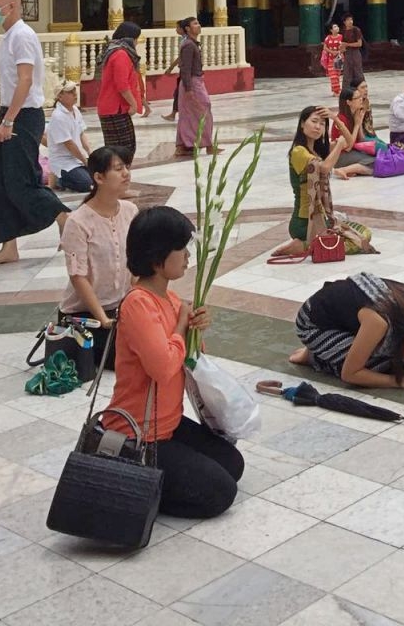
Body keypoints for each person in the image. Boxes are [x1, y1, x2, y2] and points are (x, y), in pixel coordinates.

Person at [106, 207, 244, 518]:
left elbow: (187, 360)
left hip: (168, 424)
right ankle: (134, 483)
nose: (186, 257)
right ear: (157, 258)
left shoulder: (169, 300)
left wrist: (195, 331)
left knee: (232, 464)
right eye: (180, 249)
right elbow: (162, 366)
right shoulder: (138, 303)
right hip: (139, 433)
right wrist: (182, 328)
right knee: (221, 493)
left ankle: (155, 479)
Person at [0, 0, 68, 267]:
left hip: (23, 115)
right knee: (1, 182)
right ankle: (9, 246)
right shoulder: (7, 37)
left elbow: (26, 80)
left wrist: (9, 121)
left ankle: (63, 216)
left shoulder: (22, 36)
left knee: (19, 182)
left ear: (13, 6)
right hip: (10, 111)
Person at [290, 272, 404, 391]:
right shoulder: (378, 322)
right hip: (313, 325)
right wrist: (402, 381)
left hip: (341, 320)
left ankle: (330, 351)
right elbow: (350, 374)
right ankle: (315, 356)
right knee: (381, 367)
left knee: (400, 360)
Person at [59, 146, 138, 366]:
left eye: (127, 167)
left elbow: (135, 264)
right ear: (98, 177)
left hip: (121, 307)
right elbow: (78, 277)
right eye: (118, 169)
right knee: (130, 358)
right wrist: (102, 319)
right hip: (87, 315)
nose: (126, 174)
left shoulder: (130, 211)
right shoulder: (78, 222)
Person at [269, 105, 377, 260]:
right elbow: (325, 168)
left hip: (321, 217)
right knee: (356, 240)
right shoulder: (299, 151)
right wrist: (338, 145)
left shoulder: (317, 151)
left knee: (363, 232)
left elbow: (349, 142)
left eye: (322, 124)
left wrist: (335, 119)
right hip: (304, 222)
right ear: (302, 123)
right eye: (314, 121)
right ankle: (305, 245)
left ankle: (307, 244)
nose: (318, 127)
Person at [96, 21, 147, 165]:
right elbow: (122, 85)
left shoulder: (114, 51)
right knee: (122, 150)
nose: (136, 43)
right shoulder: (121, 54)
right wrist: (132, 104)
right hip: (115, 108)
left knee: (118, 149)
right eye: (136, 38)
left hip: (112, 107)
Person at [175, 16, 214, 157]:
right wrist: (189, 89)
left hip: (196, 82)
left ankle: (190, 144)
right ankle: (202, 144)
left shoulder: (192, 43)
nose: (198, 25)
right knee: (201, 111)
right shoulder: (188, 45)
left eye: (198, 22)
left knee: (196, 113)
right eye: (195, 23)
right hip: (192, 83)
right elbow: (185, 69)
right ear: (187, 28)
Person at [45, 81, 92, 192]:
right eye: (70, 92)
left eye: (74, 91)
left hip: (77, 158)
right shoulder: (58, 116)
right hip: (64, 162)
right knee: (86, 183)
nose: (75, 94)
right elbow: (69, 144)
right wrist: (85, 161)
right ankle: (59, 180)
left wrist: (90, 153)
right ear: (60, 96)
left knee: (100, 174)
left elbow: (81, 133)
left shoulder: (75, 110)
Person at [329, 86, 376, 176]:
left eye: (360, 96)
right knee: (375, 163)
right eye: (357, 98)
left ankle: (352, 170)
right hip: (341, 156)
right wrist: (357, 125)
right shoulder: (341, 119)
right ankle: (344, 170)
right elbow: (348, 146)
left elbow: (361, 139)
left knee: (378, 158)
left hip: (353, 152)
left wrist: (359, 122)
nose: (361, 99)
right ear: (348, 102)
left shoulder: (355, 115)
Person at [161, 22, 184, 121]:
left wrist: (170, 67)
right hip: (183, 71)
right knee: (178, 93)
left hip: (185, 72)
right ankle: (174, 113)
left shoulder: (186, 41)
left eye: (177, 28)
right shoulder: (183, 40)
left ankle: (174, 114)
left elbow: (181, 57)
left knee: (179, 93)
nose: (176, 30)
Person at [340, 13, 365, 87]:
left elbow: (359, 44)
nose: (350, 21)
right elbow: (341, 43)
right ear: (344, 22)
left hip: (355, 53)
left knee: (358, 72)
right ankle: (346, 91)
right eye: (348, 20)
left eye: (351, 19)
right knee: (347, 72)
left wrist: (347, 44)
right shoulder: (343, 31)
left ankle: (362, 88)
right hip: (346, 53)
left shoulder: (356, 30)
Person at [320, 22, 344, 96]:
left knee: (337, 75)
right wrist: (332, 52)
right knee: (332, 75)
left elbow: (344, 47)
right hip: (330, 59)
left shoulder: (342, 37)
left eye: (337, 26)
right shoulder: (328, 38)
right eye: (335, 27)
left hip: (339, 59)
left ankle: (336, 90)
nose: (337, 28)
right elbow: (325, 47)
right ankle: (336, 91)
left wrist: (338, 52)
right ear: (331, 30)